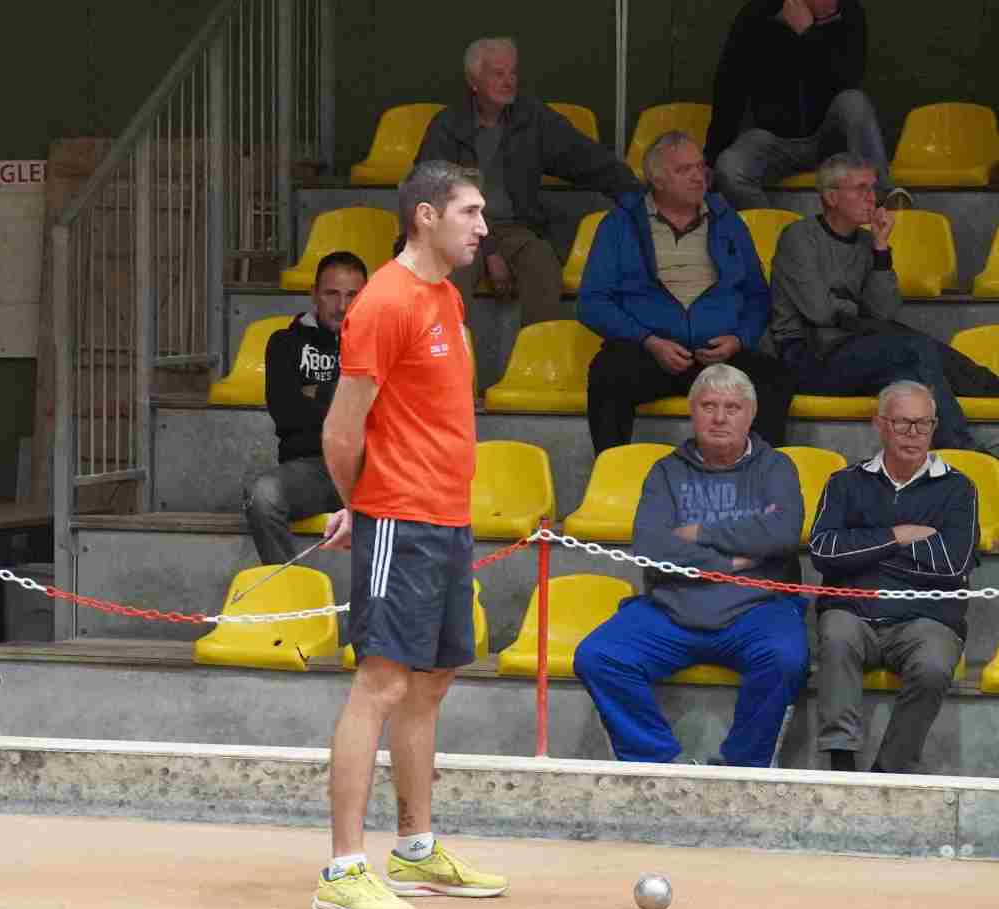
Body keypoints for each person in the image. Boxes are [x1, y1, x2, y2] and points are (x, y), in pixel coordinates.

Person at [310, 161, 509, 909]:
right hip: (400, 515)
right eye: (470, 212)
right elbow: (340, 430)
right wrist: (360, 504)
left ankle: (416, 848)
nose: (482, 227)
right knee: (382, 684)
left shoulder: (446, 296)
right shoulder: (385, 302)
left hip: (448, 516)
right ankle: (342, 869)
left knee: (430, 683)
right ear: (426, 216)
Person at [572, 364, 810, 767]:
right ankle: (661, 762)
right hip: (672, 609)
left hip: (756, 610)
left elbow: (782, 533)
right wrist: (733, 560)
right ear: (692, 411)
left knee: (786, 658)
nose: (719, 418)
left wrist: (697, 532)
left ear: (751, 415)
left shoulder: (776, 467)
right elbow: (651, 546)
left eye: (732, 408)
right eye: (709, 406)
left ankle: (742, 768)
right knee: (598, 656)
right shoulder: (666, 471)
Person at [580, 130, 794, 453]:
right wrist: (649, 341)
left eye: (700, 167)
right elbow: (592, 303)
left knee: (774, 378)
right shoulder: (619, 224)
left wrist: (739, 339)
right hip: (649, 351)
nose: (698, 177)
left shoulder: (728, 221)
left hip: (719, 353)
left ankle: (761, 474)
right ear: (657, 180)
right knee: (606, 374)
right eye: (684, 170)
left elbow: (757, 296)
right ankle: (612, 469)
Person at [770, 153, 999, 453]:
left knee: (912, 372)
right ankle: (963, 448)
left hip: (860, 349)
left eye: (873, 188)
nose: (872, 197)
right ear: (831, 197)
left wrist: (880, 248)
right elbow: (819, 310)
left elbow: (883, 310)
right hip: (808, 356)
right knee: (914, 347)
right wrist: (860, 314)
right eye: (860, 188)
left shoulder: (867, 243)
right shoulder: (798, 238)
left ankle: (965, 435)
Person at [809, 381, 978, 774]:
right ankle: (841, 761)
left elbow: (953, 564)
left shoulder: (959, 488)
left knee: (934, 664)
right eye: (903, 423)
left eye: (923, 424)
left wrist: (863, 554)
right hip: (853, 613)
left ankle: (889, 772)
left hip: (927, 618)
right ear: (880, 424)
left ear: (934, 427)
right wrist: (897, 536)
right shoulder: (844, 483)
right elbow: (824, 552)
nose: (913, 434)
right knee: (836, 635)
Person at [415, 37, 640, 327]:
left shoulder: (532, 118)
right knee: (448, 279)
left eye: (513, 73)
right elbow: (430, 195)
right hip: (459, 231)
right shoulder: (447, 126)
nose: (509, 81)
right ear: (473, 81)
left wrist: (637, 194)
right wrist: (490, 251)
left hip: (518, 227)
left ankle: (539, 353)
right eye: (498, 74)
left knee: (544, 268)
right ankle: (451, 354)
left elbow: (586, 157)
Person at [705, 0, 911, 212]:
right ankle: (772, 228)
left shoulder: (848, 11)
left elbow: (848, 77)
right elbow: (731, 87)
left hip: (830, 138)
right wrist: (711, 157)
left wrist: (810, 32)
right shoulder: (758, 13)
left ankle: (881, 198)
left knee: (853, 101)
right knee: (729, 168)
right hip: (774, 142)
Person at [242, 251, 364, 565]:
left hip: (368, 467)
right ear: (314, 294)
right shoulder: (285, 343)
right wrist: (349, 399)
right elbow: (287, 411)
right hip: (311, 469)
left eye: (352, 295)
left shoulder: (378, 342)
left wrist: (315, 393)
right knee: (262, 496)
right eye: (332, 293)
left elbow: (385, 410)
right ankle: (290, 589)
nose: (342, 306)